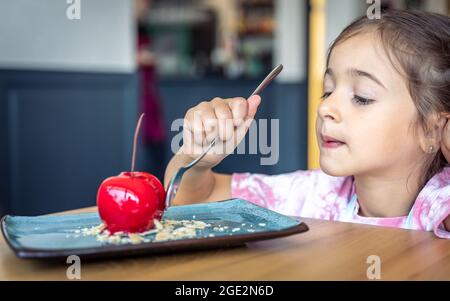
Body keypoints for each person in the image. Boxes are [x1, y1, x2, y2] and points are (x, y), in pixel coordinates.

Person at [164, 10, 450, 238]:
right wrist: (195, 157)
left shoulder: (440, 205)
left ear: (433, 129)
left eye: (361, 97)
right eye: (328, 90)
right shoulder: (316, 194)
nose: (325, 107)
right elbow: (190, 202)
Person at [135, 0, 166, 181]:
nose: (145, 5)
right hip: (139, 101)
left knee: (156, 153)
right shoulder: (123, 32)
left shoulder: (144, 28)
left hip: (151, 100)